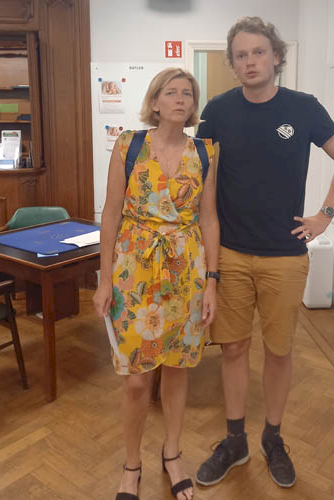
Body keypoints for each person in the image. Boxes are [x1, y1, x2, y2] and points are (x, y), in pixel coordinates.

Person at [195, 16, 334, 490]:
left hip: (285, 255)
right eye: (241, 55)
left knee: (279, 351)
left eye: (259, 52)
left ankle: (273, 437)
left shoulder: (304, 108)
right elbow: (198, 173)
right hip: (229, 254)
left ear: (277, 57)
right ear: (233, 63)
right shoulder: (218, 110)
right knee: (233, 349)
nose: (250, 62)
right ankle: (235, 441)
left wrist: (325, 215)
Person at [93, 67, 219, 500]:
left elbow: (209, 218)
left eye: (188, 93)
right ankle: (132, 466)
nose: (181, 99)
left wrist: (212, 282)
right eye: (172, 92)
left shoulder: (205, 152)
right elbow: (111, 212)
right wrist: (104, 278)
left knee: (178, 370)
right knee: (135, 380)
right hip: (134, 271)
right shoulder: (129, 145)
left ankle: (172, 453)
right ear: (155, 101)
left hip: (187, 272)